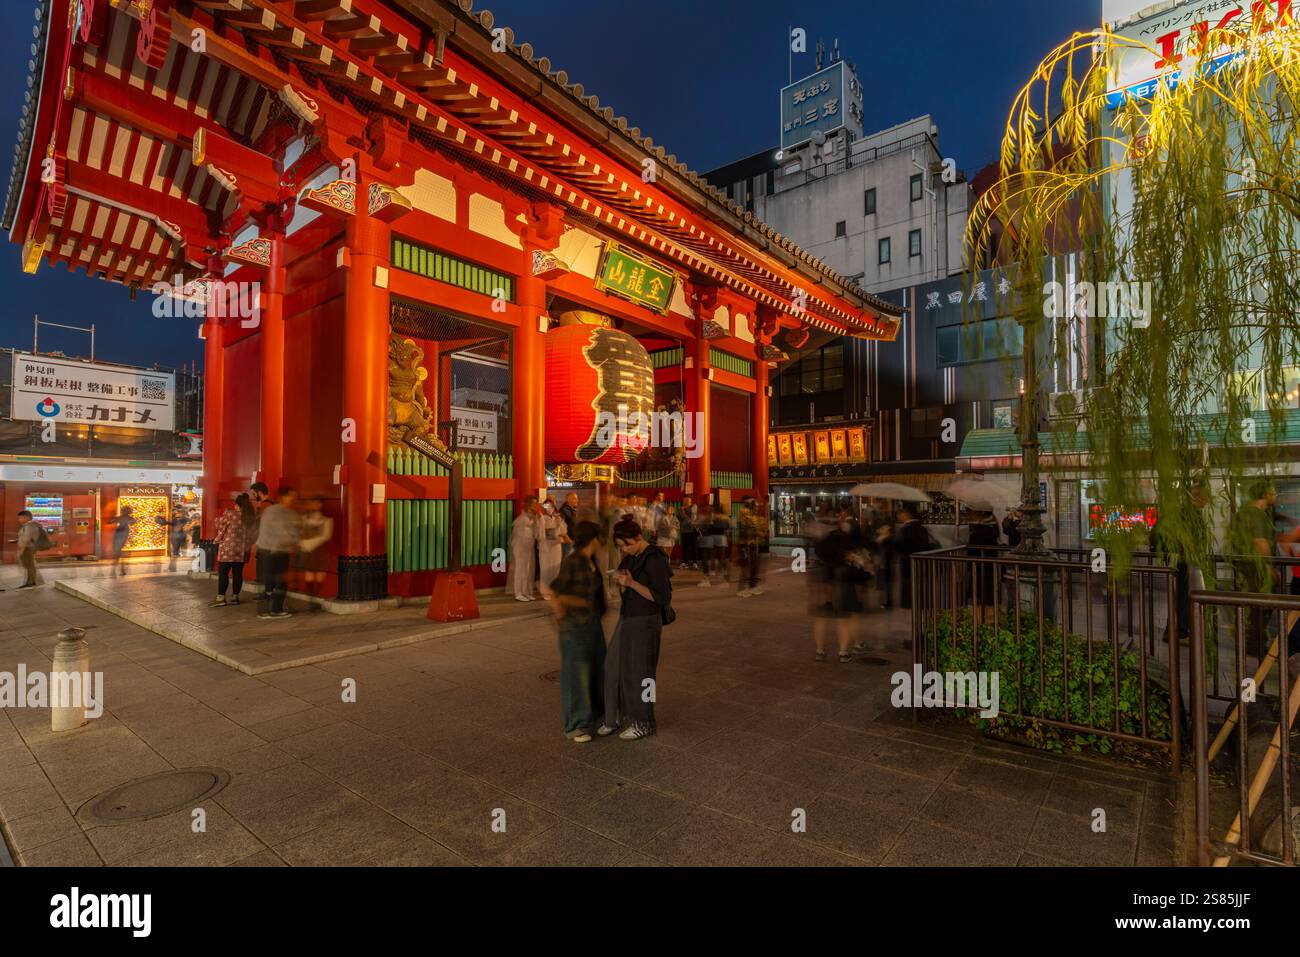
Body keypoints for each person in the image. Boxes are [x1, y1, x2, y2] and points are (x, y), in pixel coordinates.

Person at [599, 517, 673, 741]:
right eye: (621, 547)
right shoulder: (632, 557)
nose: (625, 550)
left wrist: (631, 584)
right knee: (613, 666)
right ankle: (615, 716)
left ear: (638, 537)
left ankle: (645, 721)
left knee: (643, 674)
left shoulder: (655, 558)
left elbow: (661, 597)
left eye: (626, 545)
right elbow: (624, 574)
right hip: (628, 617)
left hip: (646, 621)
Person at [549, 521, 607, 743]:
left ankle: (598, 715)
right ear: (593, 539)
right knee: (577, 675)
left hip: (592, 623)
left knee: (598, 670)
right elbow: (557, 592)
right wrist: (572, 607)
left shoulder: (592, 561)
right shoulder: (574, 561)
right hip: (575, 625)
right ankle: (576, 725)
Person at [1228, 481, 1278, 658]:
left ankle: (1252, 641)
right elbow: (1260, 541)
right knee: (1262, 604)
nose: (1276, 495)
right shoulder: (1256, 515)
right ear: (1265, 495)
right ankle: (1255, 644)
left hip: (1247, 566)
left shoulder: (1243, 512)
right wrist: (1268, 566)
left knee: (1255, 605)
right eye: (1273, 492)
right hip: (1256, 567)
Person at [812, 515, 863, 662]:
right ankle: (843, 652)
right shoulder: (844, 540)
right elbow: (853, 558)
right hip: (842, 580)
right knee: (842, 618)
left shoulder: (821, 542)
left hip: (825, 580)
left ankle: (820, 651)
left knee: (821, 618)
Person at [255, 487, 300, 619]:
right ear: (283, 497)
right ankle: (276, 610)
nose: (293, 500)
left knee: (269, 581)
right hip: (277, 551)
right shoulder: (287, 513)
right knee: (280, 581)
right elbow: (290, 534)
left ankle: (264, 610)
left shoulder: (270, 510)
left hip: (264, 549)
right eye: (291, 497)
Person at [209, 494, 257, 606]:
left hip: (228, 549)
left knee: (223, 573)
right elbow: (253, 534)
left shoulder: (231, 514)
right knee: (238, 574)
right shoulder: (250, 518)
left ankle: (221, 598)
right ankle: (235, 597)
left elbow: (219, 524)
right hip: (242, 550)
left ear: (237, 505)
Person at [893, 505, 935, 611]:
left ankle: (908, 603)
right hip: (921, 560)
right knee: (919, 581)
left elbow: (898, 546)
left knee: (908, 583)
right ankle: (920, 601)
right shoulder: (922, 528)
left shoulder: (905, 529)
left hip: (907, 560)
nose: (899, 517)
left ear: (906, 514)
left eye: (900, 514)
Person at [295, 497, 334, 605]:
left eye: (317, 504)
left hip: (320, 551)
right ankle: (312, 600)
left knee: (320, 575)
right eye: (313, 503)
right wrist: (301, 543)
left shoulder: (327, 520)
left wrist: (307, 544)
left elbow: (326, 536)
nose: (315, 506)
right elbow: (298, 533)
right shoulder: (303, 518)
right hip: (307, 551)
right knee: (310, 576)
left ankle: (315, 598)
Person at [965, 509, 1001, 622]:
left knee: (979, 597)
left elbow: (972, 550)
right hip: (988, 567)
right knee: (987, 596)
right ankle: (986, 620)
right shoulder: (992, 528)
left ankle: (979, 622)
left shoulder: (981, 530)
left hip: (980, 567)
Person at [509, 497, 541, 602]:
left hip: (529, 545)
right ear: (528, 504)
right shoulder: (522, 517)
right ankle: (518, 593)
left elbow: (536, 533)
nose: (535, 506)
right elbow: (518, 532)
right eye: (533, 503)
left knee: (528, 569)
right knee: (520, 568)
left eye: (536, 503)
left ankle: (526, 591)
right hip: (520, 545)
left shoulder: (533, 516)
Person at [737, 498, 767, 597]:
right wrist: (761, 532)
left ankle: (751, 586)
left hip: (751, 543)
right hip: (748, 544)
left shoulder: (749, 516)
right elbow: (750, 529)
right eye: (756, 507)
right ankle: (742, 588)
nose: (757, 509)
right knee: (747, 566)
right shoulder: (746, 515)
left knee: (753, 566)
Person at [537, 500, 566, 600]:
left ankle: (554, 590)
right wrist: (550, 532)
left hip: (556, 546)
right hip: (546, 546)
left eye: (551, 507)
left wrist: (559, 522)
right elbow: (540, 534)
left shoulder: (557, 518)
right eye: (547, 507)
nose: (550, 509)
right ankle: (545, 591)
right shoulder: (542, 518)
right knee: (545, 569)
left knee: (555, 569)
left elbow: (563, 531)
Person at [15, 509, 41, 589]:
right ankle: (33, 581)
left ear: (27, 517)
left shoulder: (29, 526)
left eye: (20, 518)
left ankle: (31, 582)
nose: (19, 519)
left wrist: (21, 550)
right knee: (29, 565)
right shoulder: (27, 526)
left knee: (30, 565)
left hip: (28, 548)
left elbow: (27, 539)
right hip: (28, 548)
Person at [111, 505, 135, 576]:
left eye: (123, 510)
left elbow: (111, 521)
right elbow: (133, 522)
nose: (122, 511)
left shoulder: (121, 518)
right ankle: (121, 569)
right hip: (122, 534)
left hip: (119, 535)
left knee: (118, 552)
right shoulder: (128, 518)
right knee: (119, 552)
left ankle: (116, 570)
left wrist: (114, 518)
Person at [679, 496, 699, 570]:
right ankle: (685, 562)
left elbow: (692, 517)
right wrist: (682, 511)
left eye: (687, 500)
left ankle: (695, 562)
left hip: (692, 530)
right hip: (684, 530)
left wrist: (684, 511)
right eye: (684, 500)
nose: (685, 502)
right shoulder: (682, 508)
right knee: (685, 547)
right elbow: (681, 517)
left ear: (690, 500)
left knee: (694, 547)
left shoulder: (694, 506)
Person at [558, 492, 579, 560]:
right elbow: (560, 526)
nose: (576, 500)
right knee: (566, 560)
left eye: (576, 498)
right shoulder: (563, 510)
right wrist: (567, 538)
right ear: (568, 500)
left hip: (573, 540)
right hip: (567, 541)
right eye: (574, 498)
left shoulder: (573, 510)